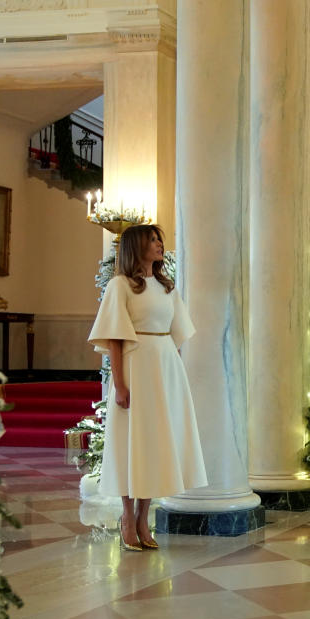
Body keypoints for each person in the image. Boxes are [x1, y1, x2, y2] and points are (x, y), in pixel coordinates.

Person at [88, 224, 207, 551]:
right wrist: (121, 385)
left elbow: (177, 333)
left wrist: (175, 377)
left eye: (159, 239)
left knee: (155, 442)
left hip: (164, 368)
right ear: (135, 247)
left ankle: (144, 517)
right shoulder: (120, 286)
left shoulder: (167, 288)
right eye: (152, 240)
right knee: (132, 443)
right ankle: (128, 517)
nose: (159, 244)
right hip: (135, 367)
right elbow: (114, 338)